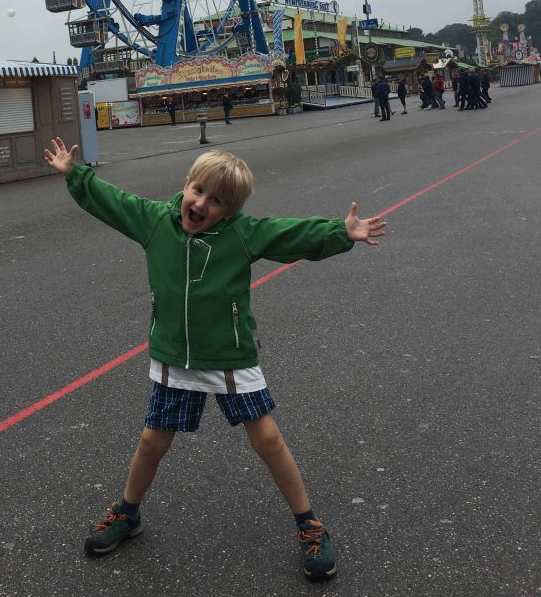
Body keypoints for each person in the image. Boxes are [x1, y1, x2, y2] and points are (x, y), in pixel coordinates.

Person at [43, 137, 387, 581]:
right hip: (175, 356)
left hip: (228, 356)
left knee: (267, 439)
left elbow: (290, 233)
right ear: (186, 186)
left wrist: (342, 232)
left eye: (217, 201)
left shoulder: (242, 235)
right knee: (152, 441)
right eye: (198, 191)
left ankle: (310, 526)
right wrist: (76, 174)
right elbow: (114, 202)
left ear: (230, 211)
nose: (202, 204)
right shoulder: (154, 223)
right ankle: (127, 513)